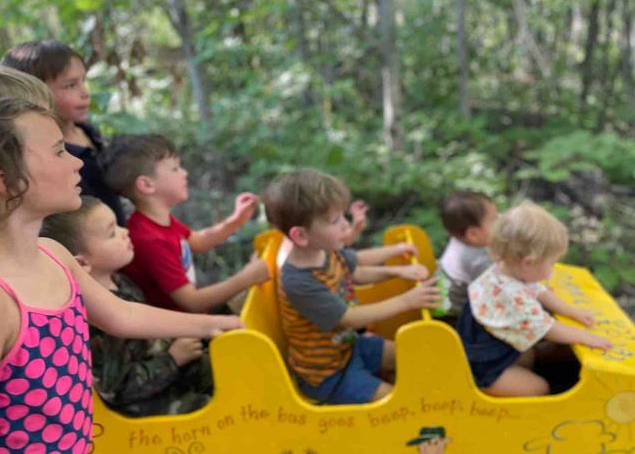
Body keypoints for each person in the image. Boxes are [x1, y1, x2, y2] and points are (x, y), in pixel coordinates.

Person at [0, 97, 243, 454]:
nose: (77, 164)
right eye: (59, 152)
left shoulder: (54, 255)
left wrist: (218, 324)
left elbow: (123, 314)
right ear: (6, 181)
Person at [263, 169, 441, 405]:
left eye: (343, 216)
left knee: (417, 357)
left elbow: (356, 271)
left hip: (350, 347)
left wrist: (396, 269)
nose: (346, 225)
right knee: (403, 403)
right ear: (301, 235)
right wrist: (407, 301)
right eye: (335, 221)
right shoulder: (300, 282)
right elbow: (349, 318)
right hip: (328, 376)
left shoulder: (325, 250)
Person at [41, 197, 213, 417]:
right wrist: (173, 359)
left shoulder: (122, 281)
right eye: (112, 233)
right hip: (146, 408)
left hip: (172, 378)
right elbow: (117, 391)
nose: (125, 232)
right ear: (82, 263)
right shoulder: (97, 319)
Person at [459, 200, 613, 397]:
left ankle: (517, 373)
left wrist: (572, 312)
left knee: (530, 355)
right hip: (482, 367)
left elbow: (540, 292)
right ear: (527, 263)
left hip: (493, 348)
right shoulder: (511, 296)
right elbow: (548, 328)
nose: (552, 271)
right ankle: (491, 396)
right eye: (551, 263)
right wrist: (586, 337)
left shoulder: (506, 269)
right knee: (540, 388)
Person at [101, 133, 269, 313]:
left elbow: (199, 241)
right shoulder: (149, 240)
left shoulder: (159, 222)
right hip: (177, 326)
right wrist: (247, 277)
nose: (185, 173)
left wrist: (236, 220)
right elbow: (192, 301)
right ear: (147, 185)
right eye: (175, 169)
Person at [1, 40, 127, 224]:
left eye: (83, 81)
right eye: (70, 85)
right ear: (34, 93)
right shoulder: (43, 155)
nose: (85, 93)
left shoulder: (87, 131)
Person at [437, 191, 497, 315]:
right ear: (473, 234)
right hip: (457, 312)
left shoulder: (460, 237)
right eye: (494, 220)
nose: (500, 222)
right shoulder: (476, 260)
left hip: (445, 294)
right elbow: (496, 288)